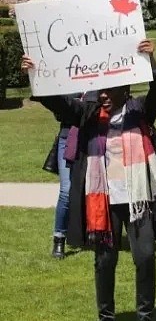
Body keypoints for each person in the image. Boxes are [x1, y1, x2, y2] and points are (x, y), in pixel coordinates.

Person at [21, 40, 156, 321]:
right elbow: (58, 103)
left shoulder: (139, 110)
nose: (102, 95)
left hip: (137, 198)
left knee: (145, 258)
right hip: (101, 201)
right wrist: (36, 75)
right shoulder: (87, 114)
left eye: (109, 90)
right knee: (105, 262)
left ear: (125, 90)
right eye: (99, 90)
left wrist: (151, 59)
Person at [45, 91, 97, 259]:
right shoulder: (66, 83)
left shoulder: (100, 83)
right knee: (66, 190)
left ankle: (92, 232)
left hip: (94, 137)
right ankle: (59, 238)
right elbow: (58, 112)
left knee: (93, 186)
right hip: (69, 137)